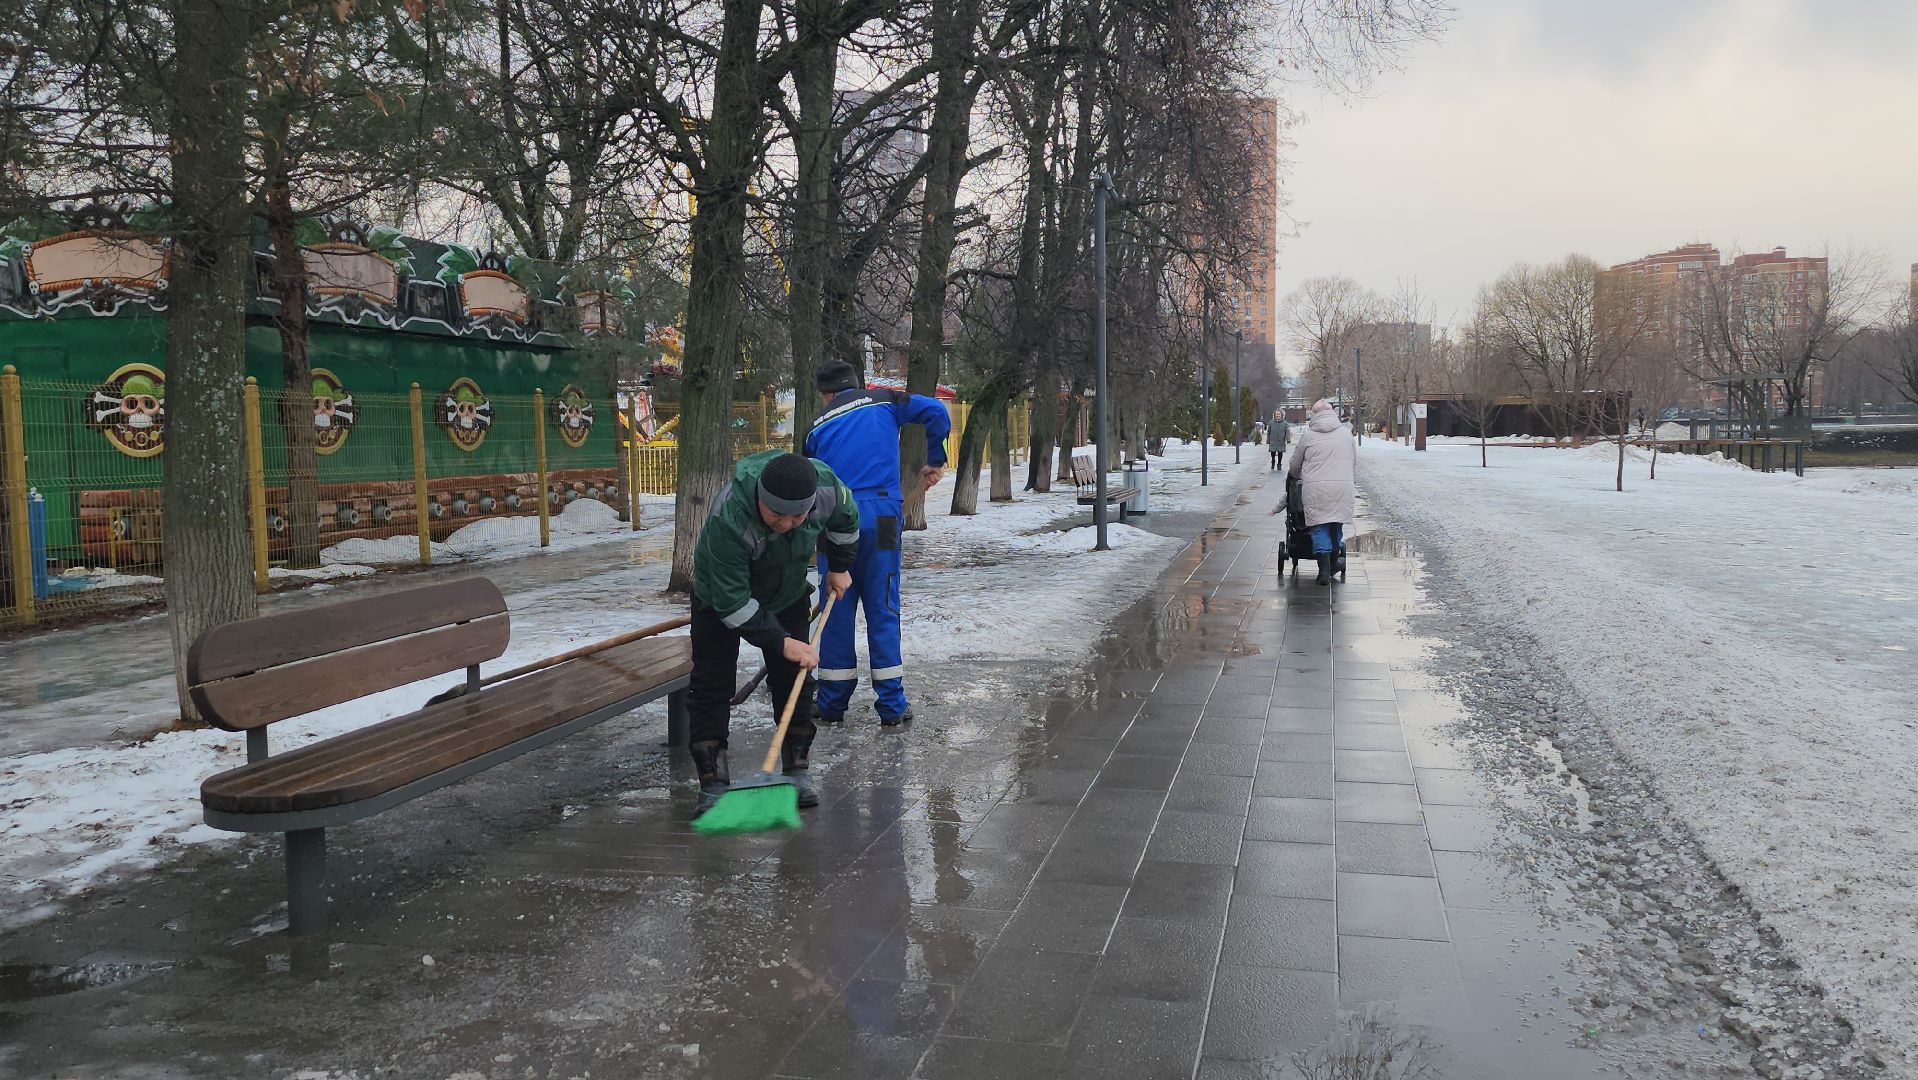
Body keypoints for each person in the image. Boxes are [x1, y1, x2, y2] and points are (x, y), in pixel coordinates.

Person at [688, 450, 859, 816]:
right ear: (760, 500)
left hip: (786, 591)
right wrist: (782, 642)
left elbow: (847, 520)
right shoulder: (729, 518)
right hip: (719, 596)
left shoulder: (827, 487)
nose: (787, 524)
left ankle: (797, 769)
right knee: (711, 682)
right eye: (776, 515)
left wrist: (839, 567)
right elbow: (733, 604)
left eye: (798, 515)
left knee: (795, 679)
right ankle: (713, 781)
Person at [802, 359, 952, 728]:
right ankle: (892, 706)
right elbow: (935, 410)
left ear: (826, 393)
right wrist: (936, 459)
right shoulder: (884, 400)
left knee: (835, 609)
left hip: (835, 518)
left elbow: (808, 486)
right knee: (883, 607)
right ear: (857, 384)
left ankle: (832, 703)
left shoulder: (814, 429)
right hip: (884, 516)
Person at [1286, 399, 1356, 586]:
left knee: (1319, 526)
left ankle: (1324, 571)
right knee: (1336, 523)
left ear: (1314, 415)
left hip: (1315, 489)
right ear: (1332, 413)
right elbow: (1353, 461)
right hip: (1342, 487)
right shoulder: (1346, 434)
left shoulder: (1308, 436)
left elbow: (1294, 466)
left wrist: (1296, 475)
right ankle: (1334, 562)